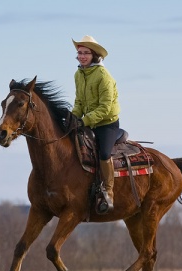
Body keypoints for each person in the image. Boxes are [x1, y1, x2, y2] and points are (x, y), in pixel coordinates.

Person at [71, 35, 121, 214]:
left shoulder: (104, 76)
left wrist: (83, 121)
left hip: (107, 124)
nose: (82, 56)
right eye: (79, 53)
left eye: (86, 53)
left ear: (94, 55)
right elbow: (79, 102)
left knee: (104, 153)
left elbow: (105, 108)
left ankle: (108, 191)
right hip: (88, 122)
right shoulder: (78, 74)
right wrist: (73, 117)